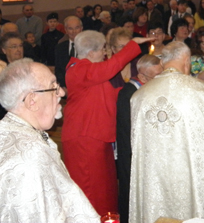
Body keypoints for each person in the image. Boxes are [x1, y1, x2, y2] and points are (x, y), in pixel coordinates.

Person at [129, 42, 204, 223]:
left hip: (153, 175)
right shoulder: (199, 90)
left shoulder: (139, 96)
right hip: (189, 172)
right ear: (187, 62)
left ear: (162, 63)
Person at [62, 30, 152, 215]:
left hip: (96, 136)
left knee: (106, 188)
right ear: (91, 52)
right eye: (103, 49)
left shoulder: (89, 71)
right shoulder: (79, 69)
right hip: (84, 138)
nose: (105, 53)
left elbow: (112, 95)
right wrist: (132, 44)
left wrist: (139, 85)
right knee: (93, 192)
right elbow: (112, 66)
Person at [0, 59, 100, 222]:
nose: (61, 93)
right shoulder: (32, 155)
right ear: (32, 100)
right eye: (53, 87)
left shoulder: (7, 131)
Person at [116, 55, 163, 223]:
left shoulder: (150, 88)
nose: (161, 79)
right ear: (142, 76)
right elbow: (130, 131)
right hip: (132, 156)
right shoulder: (129, 93)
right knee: (132, 198)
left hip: (148, 156)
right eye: (157, 76)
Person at [55, 16, 83, 90]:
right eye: (70, 28)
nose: (74, 31)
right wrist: (64, 87)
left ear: (81, 28)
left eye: (77, 28)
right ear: (66, 30)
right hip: (66, 88)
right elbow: (58, 70)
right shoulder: (60, 47)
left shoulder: (88, 47)